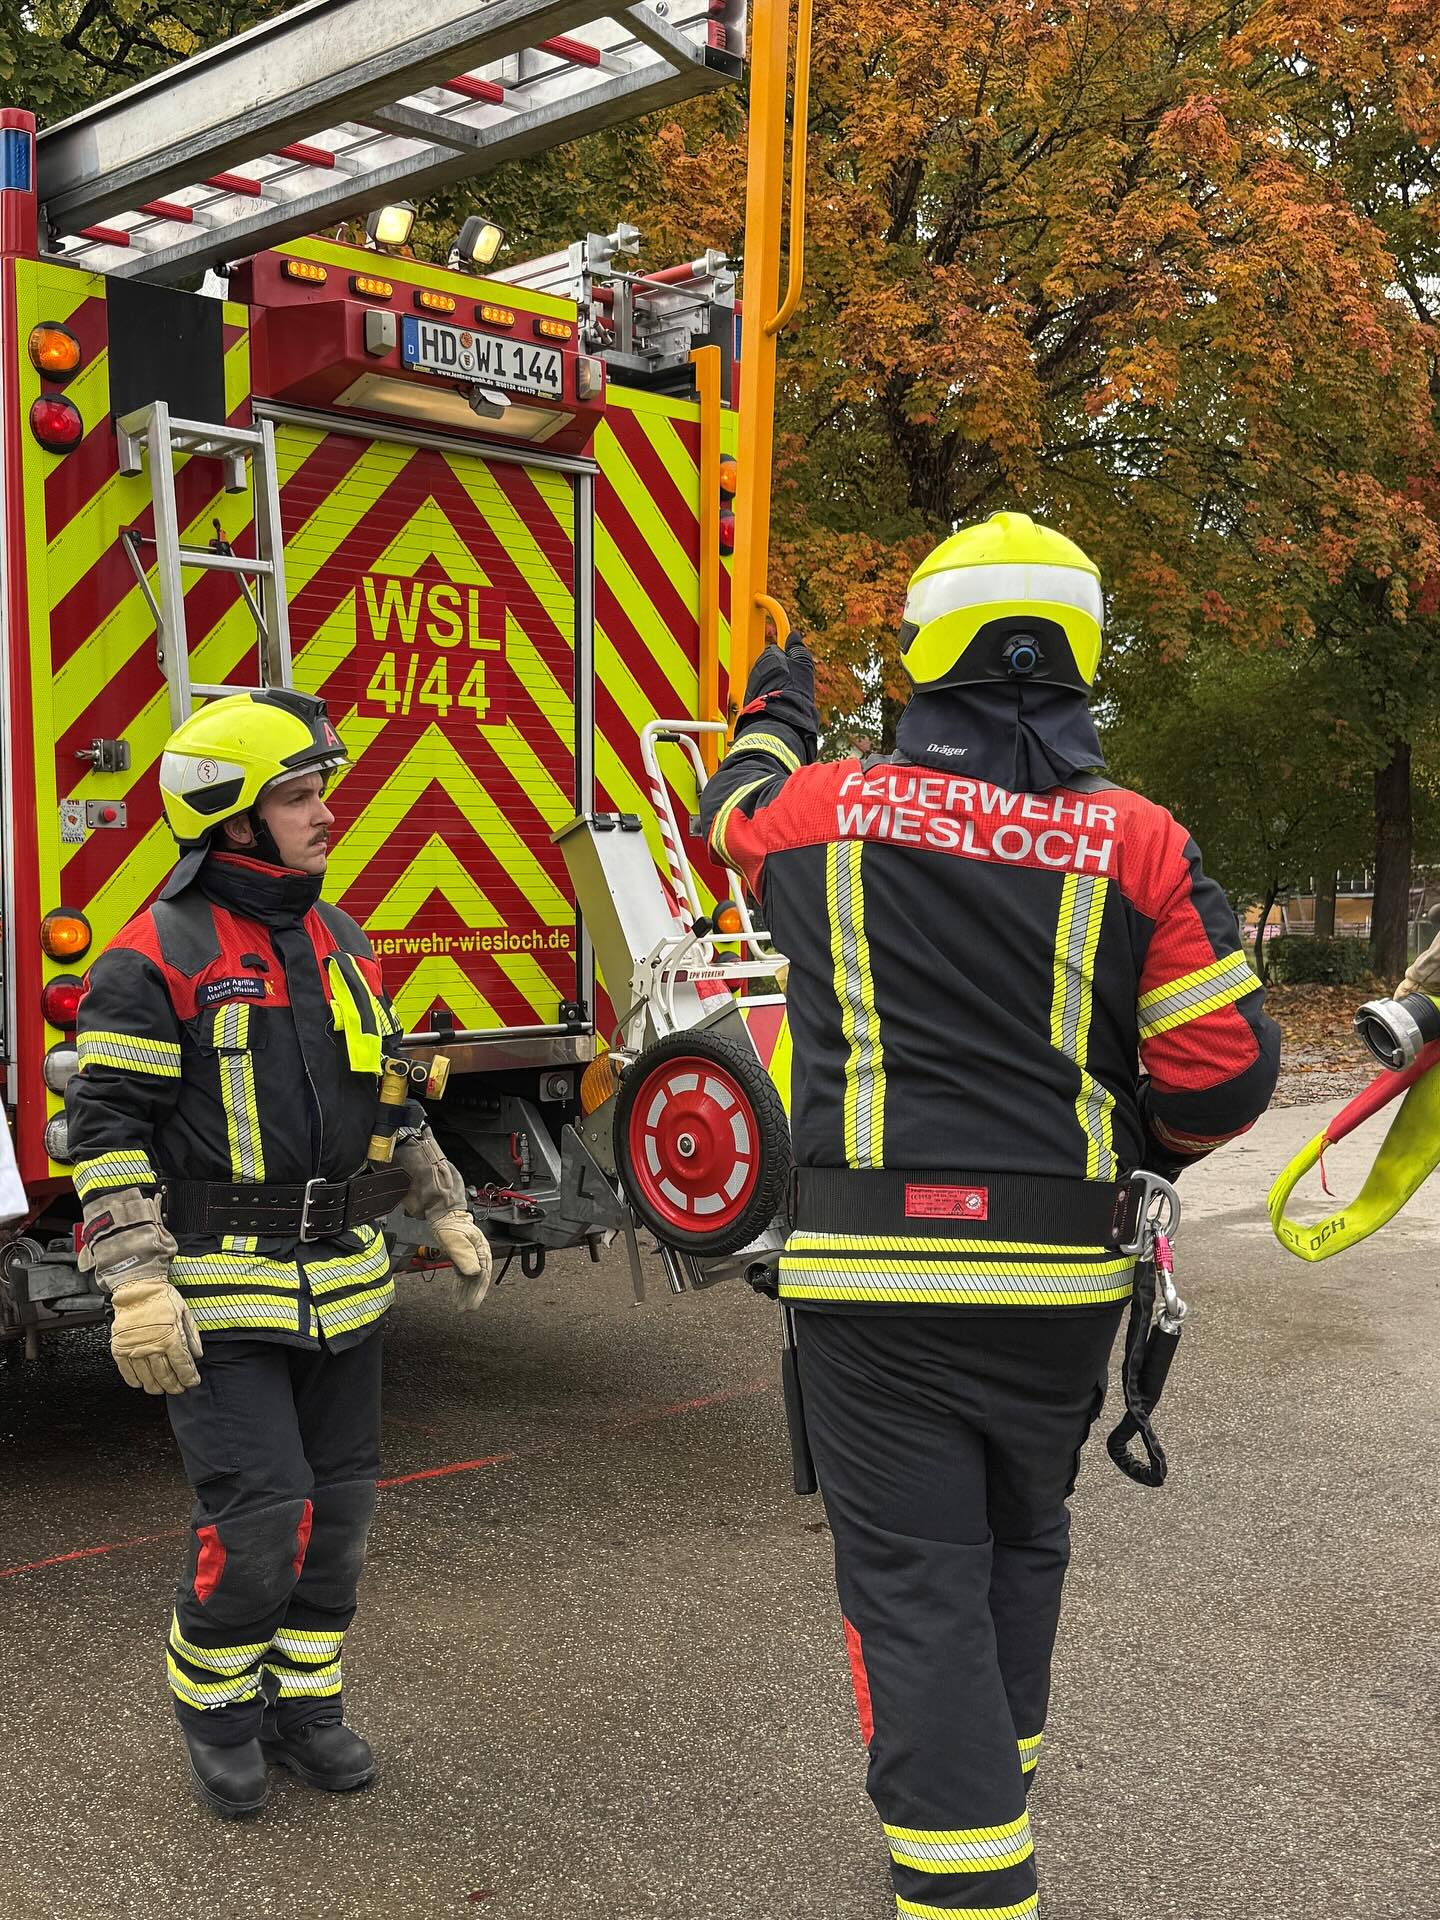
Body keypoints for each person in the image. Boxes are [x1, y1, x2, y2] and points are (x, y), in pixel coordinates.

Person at [700, 513, 1280, 1918]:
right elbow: (1227, 1072)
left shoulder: (826, 809)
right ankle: (991, 1775)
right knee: (1024, 1540)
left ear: (925, 654)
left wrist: (777, 705)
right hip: (1057, 1283)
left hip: (873, 1278)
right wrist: (1130, 1145)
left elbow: (724, 823)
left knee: (912, 1578)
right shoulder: (1138, 841)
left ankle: (968, 1882)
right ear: (1079, 653)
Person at [66, 688, 491, 1819]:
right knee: (261, 1517)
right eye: (300, 796)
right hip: (218, 1294)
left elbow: (388, 1089)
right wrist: (136, 1281)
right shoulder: (154, 955)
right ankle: (216, 1712)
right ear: (234, 821)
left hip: (345, 1290)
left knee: (338, 1516)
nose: (326, 815)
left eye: (320, 793)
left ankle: (304, 1706)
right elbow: (102, 1132)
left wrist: (437, 1199)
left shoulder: (339, 937)